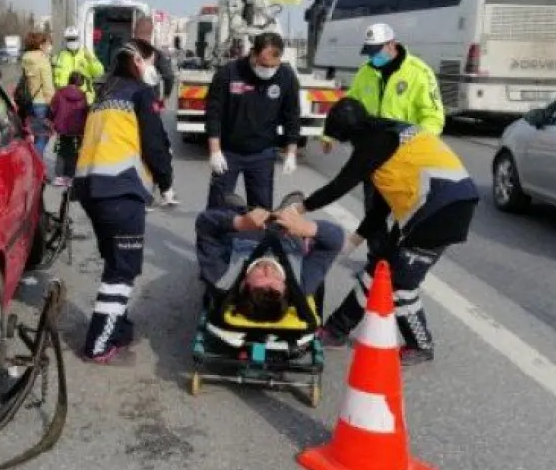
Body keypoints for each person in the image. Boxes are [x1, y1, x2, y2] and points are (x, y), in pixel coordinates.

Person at [298, 98, 478, 366]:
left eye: (345, 140)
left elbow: (340, 185)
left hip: (443, 211)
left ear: (350, 133)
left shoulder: (374, 142)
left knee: (401, 285)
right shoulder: (388, 133)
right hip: (437, 206)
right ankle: (336, 331)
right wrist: (355, 240)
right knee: (378, 270)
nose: (348, 145)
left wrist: (300, 207)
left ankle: (420, 345)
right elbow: (382, 206)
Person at [73, 38, 176, 364]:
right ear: (137, 61)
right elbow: (155, 144)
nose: (155, 71)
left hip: (92, 190)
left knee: (115, 262)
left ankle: (117, 325)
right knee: (123, 269)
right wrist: (167, 183)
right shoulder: (139, 94)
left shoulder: (104, 94)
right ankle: (99, 343)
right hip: (120, 191)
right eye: (152, 62)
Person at [323, 23, 445, 214]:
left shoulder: (419, 73)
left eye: (376, 50)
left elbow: (433, 118)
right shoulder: (366, 72)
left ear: (391, 44)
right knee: (372, 219)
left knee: (405, 217)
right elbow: (348, 106)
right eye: (369, 52)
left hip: (404, 159)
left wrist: (413, 144)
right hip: (372, 157)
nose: (373, 57)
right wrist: (329, 134)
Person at [195, 196, 345, 322]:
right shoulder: (301, 284)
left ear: (243, 284)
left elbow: (203, 226)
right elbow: (335, 241)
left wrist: (239, 222)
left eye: (260, 275)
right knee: (294, 212)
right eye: (275, 278)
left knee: (228, 203)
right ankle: (285, 210)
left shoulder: (222, 276)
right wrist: (308, 228)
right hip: (287, 232)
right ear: (287, 288)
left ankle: (244, 208)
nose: (268, 268)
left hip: (247, 226)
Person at [204, 32, 301, 211]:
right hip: (228, 152)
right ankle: (210, 239)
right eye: (264, 65)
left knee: (261, 211)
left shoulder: (286, 76)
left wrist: (291, 152)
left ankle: (256, 240)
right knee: (218, 208)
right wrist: (215, 150)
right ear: (253, 54)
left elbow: (292, 116)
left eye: (274, 65)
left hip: (262, 154)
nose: (269, 70)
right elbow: (213, 113)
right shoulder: (229, 72)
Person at [48, 71, 89, 187]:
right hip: (77, 128)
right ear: (80, 82)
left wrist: (54, 120)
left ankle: (59, 177)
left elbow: (53, 108)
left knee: (61, 152)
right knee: (74, 153)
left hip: (61, 127)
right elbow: (85, 112)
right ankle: (70, 177)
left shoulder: (60, 93)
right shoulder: (82, 95)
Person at [19, 31, 56, 159]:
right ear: (41, 45)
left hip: (30, 102)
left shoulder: (26, 59)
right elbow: (47, 86)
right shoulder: (42, 60)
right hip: (42, 103)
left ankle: (34, 163)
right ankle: (37, 167)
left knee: (36, 136)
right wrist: (53, 105)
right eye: (48, 43)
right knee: (42, 138)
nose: (50, 46)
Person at [53, 26, 104, 104]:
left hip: (84, 99)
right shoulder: (59, 56)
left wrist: (91, 60)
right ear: (65, 40)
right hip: (64, 100)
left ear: (78, 39)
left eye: (74, 38)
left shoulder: (86, 54)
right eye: (69, 39)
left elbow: (99, 72)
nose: (71, 41)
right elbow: (54, 79)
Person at [133, 16, 175, 104]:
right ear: (151, 33)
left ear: (134, 31)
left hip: (127, 103)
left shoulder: (123, 52)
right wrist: (166, 95)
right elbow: (169, 76)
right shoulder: (156, 54)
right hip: (149, 102)